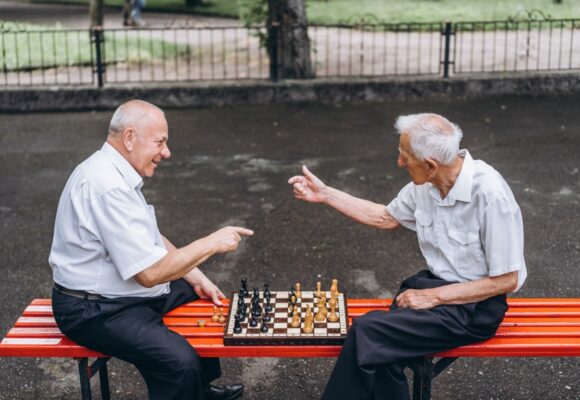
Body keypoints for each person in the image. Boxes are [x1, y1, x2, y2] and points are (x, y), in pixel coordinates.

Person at [288, 113, 527, 400]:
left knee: (367, 332)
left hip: (475, 308)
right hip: (434, 290)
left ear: (430, 165)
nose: (399, 162)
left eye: (405, 156)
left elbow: (507, 280)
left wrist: (435, 297)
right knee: (383, 355)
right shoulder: (425, 185)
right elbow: (384, 217)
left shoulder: (490, 194)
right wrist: (326, 194)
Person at [49, 99, 252, 400]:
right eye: (160, 142)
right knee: (178, 364)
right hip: (94, 309)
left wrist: (196, 277)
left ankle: (198, 391)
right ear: (129, 137)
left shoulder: (114, 171)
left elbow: (150, 235)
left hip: (117, 294)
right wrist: (211, 243)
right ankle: (187, 383)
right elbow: (150, 273)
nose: (166, 152)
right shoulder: (107, 185)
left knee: (198, 297)